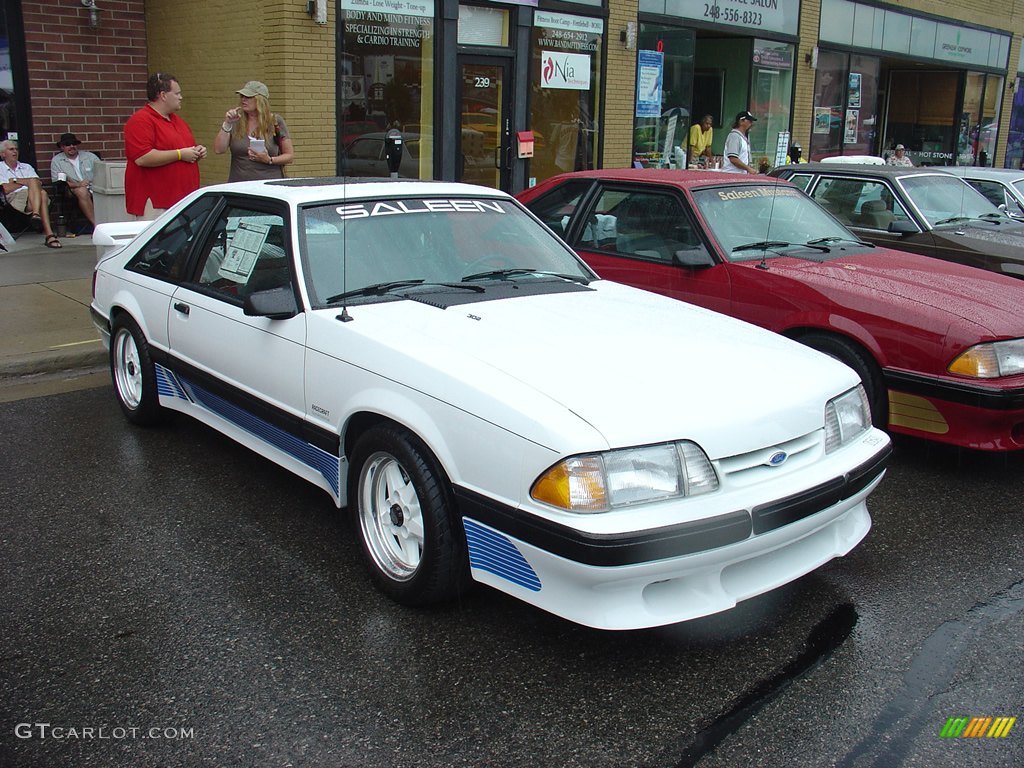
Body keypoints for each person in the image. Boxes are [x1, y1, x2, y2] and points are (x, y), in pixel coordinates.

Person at [124, 72, 206, 220]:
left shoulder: (177, 121)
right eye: (177, 93)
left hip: (183, 201)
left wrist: (196, 151)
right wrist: (180, 154)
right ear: (163, 95)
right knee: (156, 243)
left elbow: (184, 150)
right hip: (157, 204)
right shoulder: (140, 120)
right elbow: (142, 157)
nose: (181, 97)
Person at [213, 81, 294, 181]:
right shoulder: (236, 120)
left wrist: (269, 160)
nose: (243, 99)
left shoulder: (275, 121)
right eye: (242, 96)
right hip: (239, 185)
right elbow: (219, 149)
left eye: (248, 97)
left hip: (268, 184)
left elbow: (289, 156)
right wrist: (227, 123)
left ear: (260, 100)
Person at [0, 139, 61, 248]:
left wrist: (14, 180)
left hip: (32, 199)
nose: (15, 152)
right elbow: (5, 188)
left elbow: (38, 183)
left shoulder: (26, 166)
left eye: (16, 149)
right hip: (15, 198)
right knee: (40, 192)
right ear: (3, 154)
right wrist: (28, 182)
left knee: (39, 190)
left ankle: (36, 215)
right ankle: (49, 235)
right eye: (11, 149)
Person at [50, 132, 99, 226]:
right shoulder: (57, 161)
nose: (72, 146)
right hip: (72, 189)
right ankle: (96, 225)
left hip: (94, 186)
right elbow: (60, 182)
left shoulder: (90, 157)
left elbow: (102, 172)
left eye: (74, 143)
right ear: (62, 147)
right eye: (68, 144)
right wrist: (79, 184)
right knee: (82, 191)